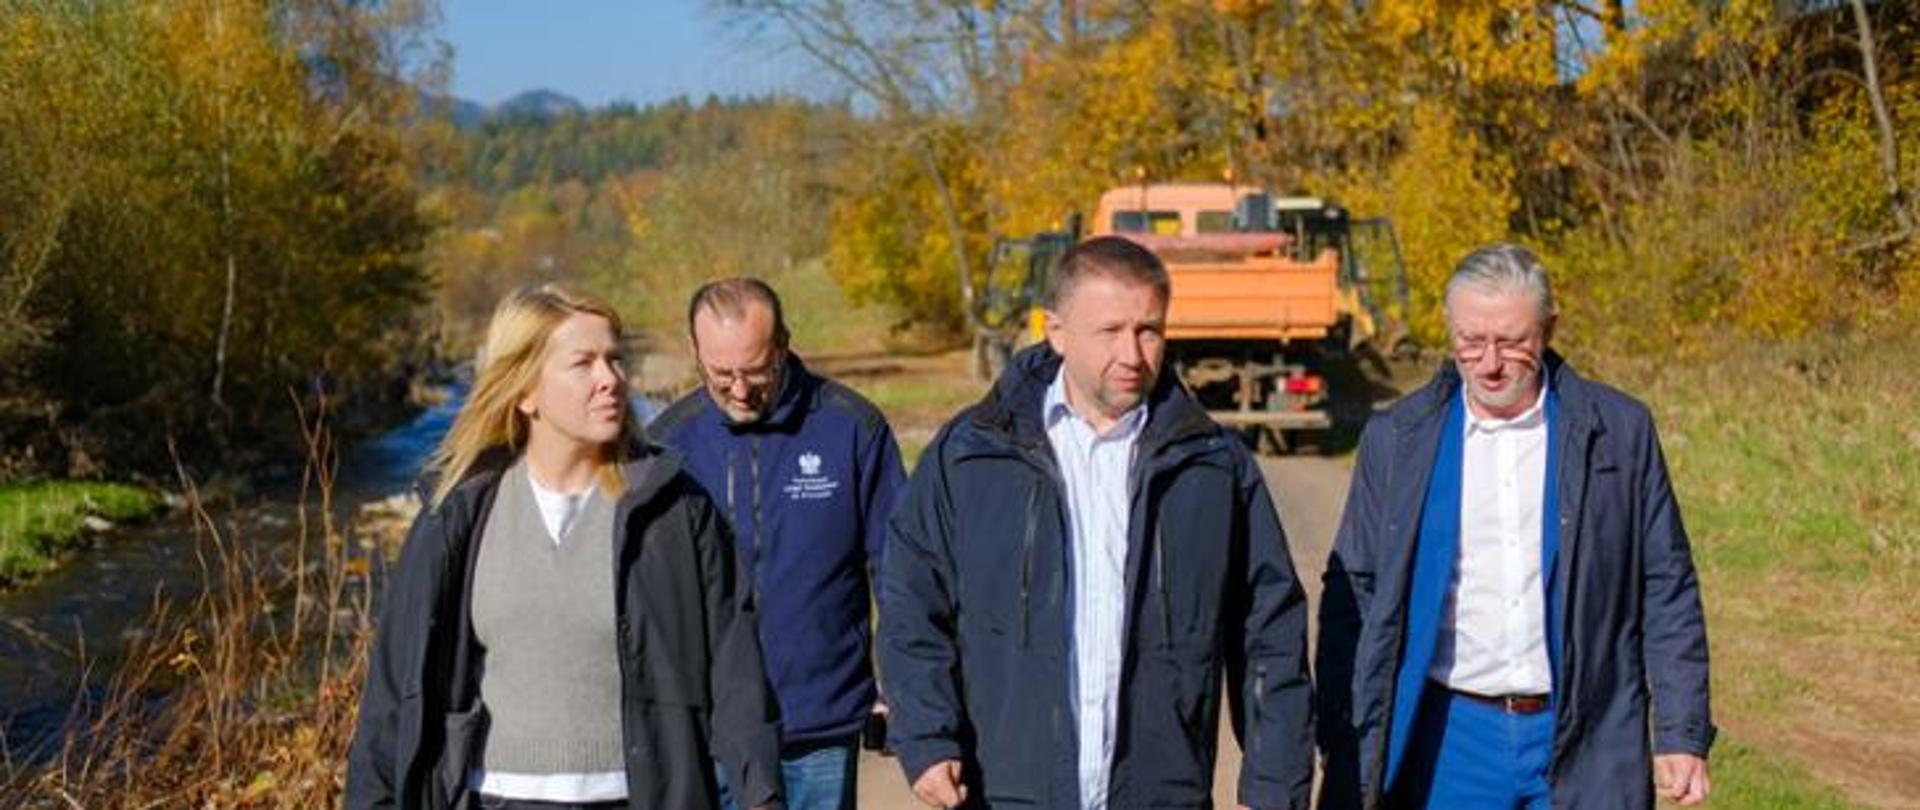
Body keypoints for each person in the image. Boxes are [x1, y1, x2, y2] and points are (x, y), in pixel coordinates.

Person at [880, 236, 1314, 810]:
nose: (1133, 356)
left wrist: (1276, 783)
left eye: (1150, 330)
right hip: (1007, 791)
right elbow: (912, 599)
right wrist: (927, 735)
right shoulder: (974, 454)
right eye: (1110, 332)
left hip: (1161, 793)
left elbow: (1269, 631)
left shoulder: (1211, 464)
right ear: (1056, 331)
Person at [346, 284, 783, 810]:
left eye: (615, 360)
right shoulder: (458, 515)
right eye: (584, 364)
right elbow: (395, 694)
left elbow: (737, 672)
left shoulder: (674, 509)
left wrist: (761, 796)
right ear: (525, 390)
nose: (611, 380)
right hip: (497, 800)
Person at [1315, 244, 1715, 809]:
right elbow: (1353, 589)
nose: (1490, 362)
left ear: (1549, 329)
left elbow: (1666, 586)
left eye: (1511, 342)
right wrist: (1338, 727)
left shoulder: (1620, 432)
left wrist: (1681, 730)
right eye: (1471, 342)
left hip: (1588, 733)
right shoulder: (1397, 440)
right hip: (1450, 740)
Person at [651, 277, 906, 810]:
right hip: (710, 725)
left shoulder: (851, 428)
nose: (740, 390)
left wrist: (900, 684)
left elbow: (898, 569)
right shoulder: (667, 444)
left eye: (755, 371)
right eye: (721, 375)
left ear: (785, 344)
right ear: (696, 355)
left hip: (818, 718)